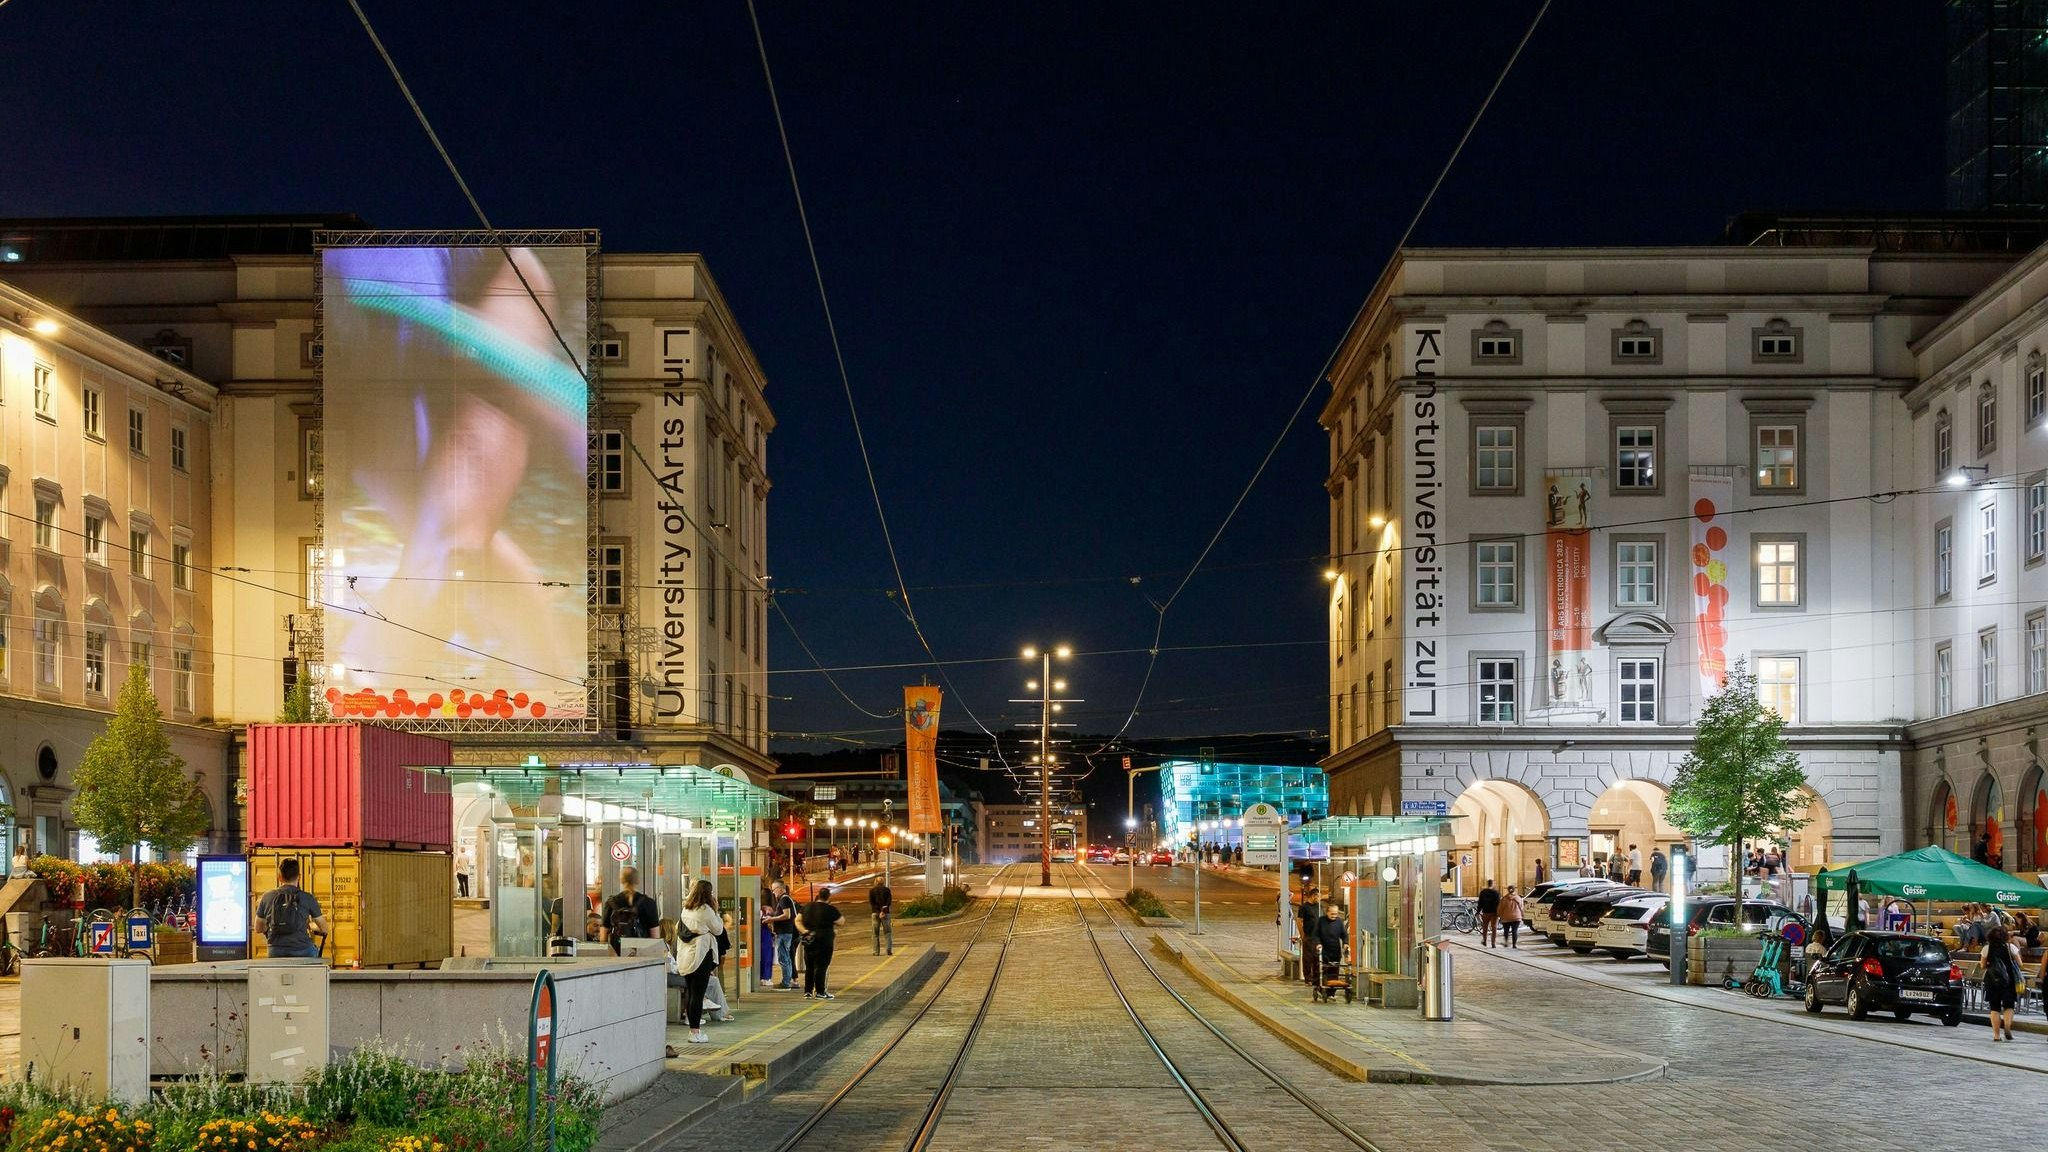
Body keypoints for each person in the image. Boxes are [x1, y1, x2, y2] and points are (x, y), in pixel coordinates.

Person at [670, 881, 724, 1046]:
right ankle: (695, 1032)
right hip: (700, 957)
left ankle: (692, 1025)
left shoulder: (686, 909)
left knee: (691, 993)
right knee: (698, 995)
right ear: (708, 894)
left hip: (686, 955)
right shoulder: (706, 911)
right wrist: (716, 910)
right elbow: (718, 929)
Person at [256, 858, 331, 959]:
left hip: (276, 950)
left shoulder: (267, 896)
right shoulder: (307, 897)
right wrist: (309, 925)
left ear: (279, 877)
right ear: (299, 876)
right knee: (314, 952)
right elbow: (324, 929)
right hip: (303, 949)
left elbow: (259, 928)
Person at [797, 885, 843, 1000]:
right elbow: (841, 921)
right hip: (825, 941)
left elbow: (797, 920)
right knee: (821, 967)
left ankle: (807, 991)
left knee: (810, 967)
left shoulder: (807, 907)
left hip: (809, 941)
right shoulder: (830, 909)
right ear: (828, 897)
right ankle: (820, 992)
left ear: (817, 896)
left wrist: (804, 931)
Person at [604, 867, 660, 955]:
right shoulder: (649, 903)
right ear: (637, 881)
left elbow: (603, 938)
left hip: (616, 954)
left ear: (621, 880)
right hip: (641, 954)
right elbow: (655, 938)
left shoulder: (611, 903)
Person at [1983, 924, 2024, 1041]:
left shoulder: (1986, 948)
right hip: (2008, 981)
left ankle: (1996, 1035)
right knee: (2009, 1006)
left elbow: (1982, 965)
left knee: (1994, 1008)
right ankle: (2007, 1026)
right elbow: (2020, 964)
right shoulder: (2010, 947)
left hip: (1992, 980)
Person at [764, 880, 799, 989]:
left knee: (784, 958)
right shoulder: (786, 899)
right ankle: (788, 980)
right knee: (786, 957)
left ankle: (786, 982)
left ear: (780, 888)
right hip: (786, 932)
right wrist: (773, 913)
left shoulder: (784, 899)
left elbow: (787, 915)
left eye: (774, 890)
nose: (773, 893)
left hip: (784, 933)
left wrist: (771, 919)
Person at [1314, 897, 1349, 987]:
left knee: (1334, 972)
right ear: (1327, 912)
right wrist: (1318, 944)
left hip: (1335, 951)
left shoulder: (1339, 922)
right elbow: (1316, 934)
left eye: (1336, 914)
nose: (1334, 916)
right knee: (1324, 970)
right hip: (1324, 950)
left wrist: (1345, 943)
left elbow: (1344, 934)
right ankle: (1322, 987)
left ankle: (1332, 991)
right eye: (1332, 914)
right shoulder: (1321, 921)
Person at [1297, 884, 1323, 988]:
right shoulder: (1304, 907)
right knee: (1308, 958)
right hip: (1308, 936)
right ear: (1313, 896)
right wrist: (1302, 935)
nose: (1319, 898)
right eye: (1318, 896)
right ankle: (1308, 978)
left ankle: (1316, 979)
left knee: (1317, 958)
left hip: (1318, 937)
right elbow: (1299, 921)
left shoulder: (1319, 907)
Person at [870, 877, 893, 956]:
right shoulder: (887, 890)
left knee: (875, 933)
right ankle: (888, 949)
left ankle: (876, 952)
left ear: (875, 882)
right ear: (883, 882)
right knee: (888, 932)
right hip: (885, 913)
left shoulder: (872, 891)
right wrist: (883, 911)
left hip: (875, 914)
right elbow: (889, 902)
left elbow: (872, 903)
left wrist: (878, 911)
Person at [1477, 879, 1502, 948]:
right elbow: (1499, 904)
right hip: (1494, 913)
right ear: (1493, 884)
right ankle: (1493, 943)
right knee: (1494, 928)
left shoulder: (1483, 892)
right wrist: (1499, 913)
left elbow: (1480, 903)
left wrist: (1478, 912)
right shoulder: (1496, 893)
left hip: (1486, 913)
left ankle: (1485, 941)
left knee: (1485, 927)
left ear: (1488, 884)